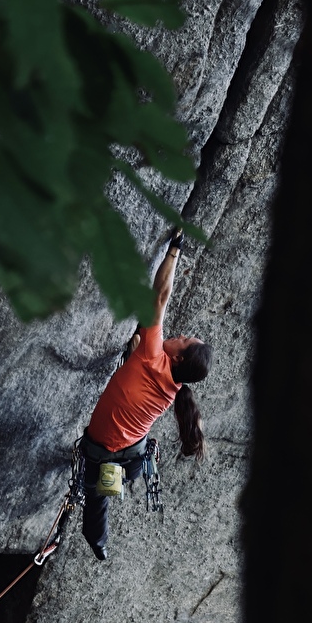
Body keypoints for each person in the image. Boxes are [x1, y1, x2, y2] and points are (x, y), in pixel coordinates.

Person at [81, 230, 212, 559]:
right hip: (132, 461)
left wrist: (174, 251)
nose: (179, 334)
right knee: (97, 501)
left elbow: (160, 296)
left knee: (94, 499)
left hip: (108, 453)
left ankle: (98, 541)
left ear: (178, 357)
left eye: (184, 340)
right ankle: (99, 542)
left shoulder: (152, 356)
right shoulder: (173, 386)